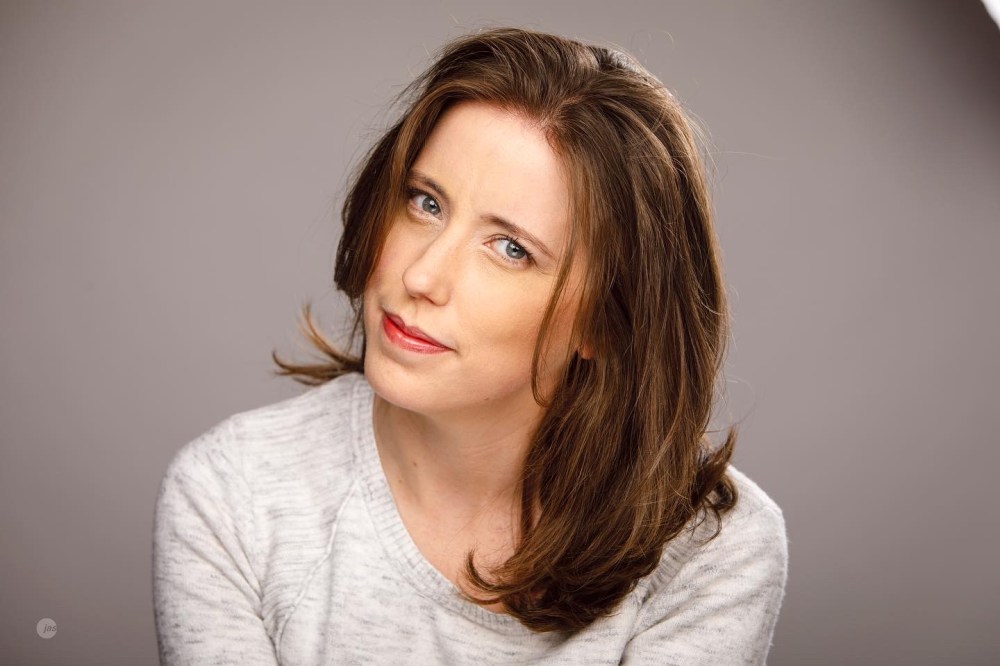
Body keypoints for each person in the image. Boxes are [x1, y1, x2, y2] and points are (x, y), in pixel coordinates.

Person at [153, 27, 788, 665]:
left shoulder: (715, 552)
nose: (421, 276)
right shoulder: (232, 493)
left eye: (510, 248)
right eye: (425, 203)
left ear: (606, 322)